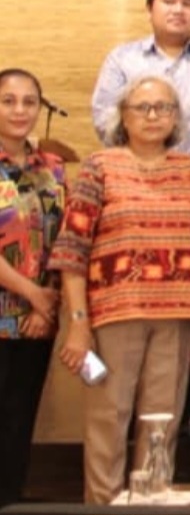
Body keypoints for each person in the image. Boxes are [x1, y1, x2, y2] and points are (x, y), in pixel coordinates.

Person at [51, 76, 190, 504]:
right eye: (142, 108)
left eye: (164, 107)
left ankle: (152, 506)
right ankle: (103, 508)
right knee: (108, 422)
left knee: (162, 426)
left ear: (176, 118)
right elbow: (72, 251)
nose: (153, 116)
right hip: (113, 317)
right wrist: (78, 324)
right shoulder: (99, 167)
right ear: (122, 117)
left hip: (176, 319)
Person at [91, 0, 190, 441]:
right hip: (134, 198)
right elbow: (104, 115)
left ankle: (187, 409)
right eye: (169, 1)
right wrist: (149, 159)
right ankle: (129, 416)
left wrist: (188, 161)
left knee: (189, 303)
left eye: (188, 3)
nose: (179, 9)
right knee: (138, 309)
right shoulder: (123, 58)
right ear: (150, 7)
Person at [0, 69, 66, 508]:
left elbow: (66, 239)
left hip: (37, 322)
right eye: (8, 101)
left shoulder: (53, 169)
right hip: (7, 309)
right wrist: (32, 293)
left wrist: (46, 304)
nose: (20, 110)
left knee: (18, 425)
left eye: (29, 101)